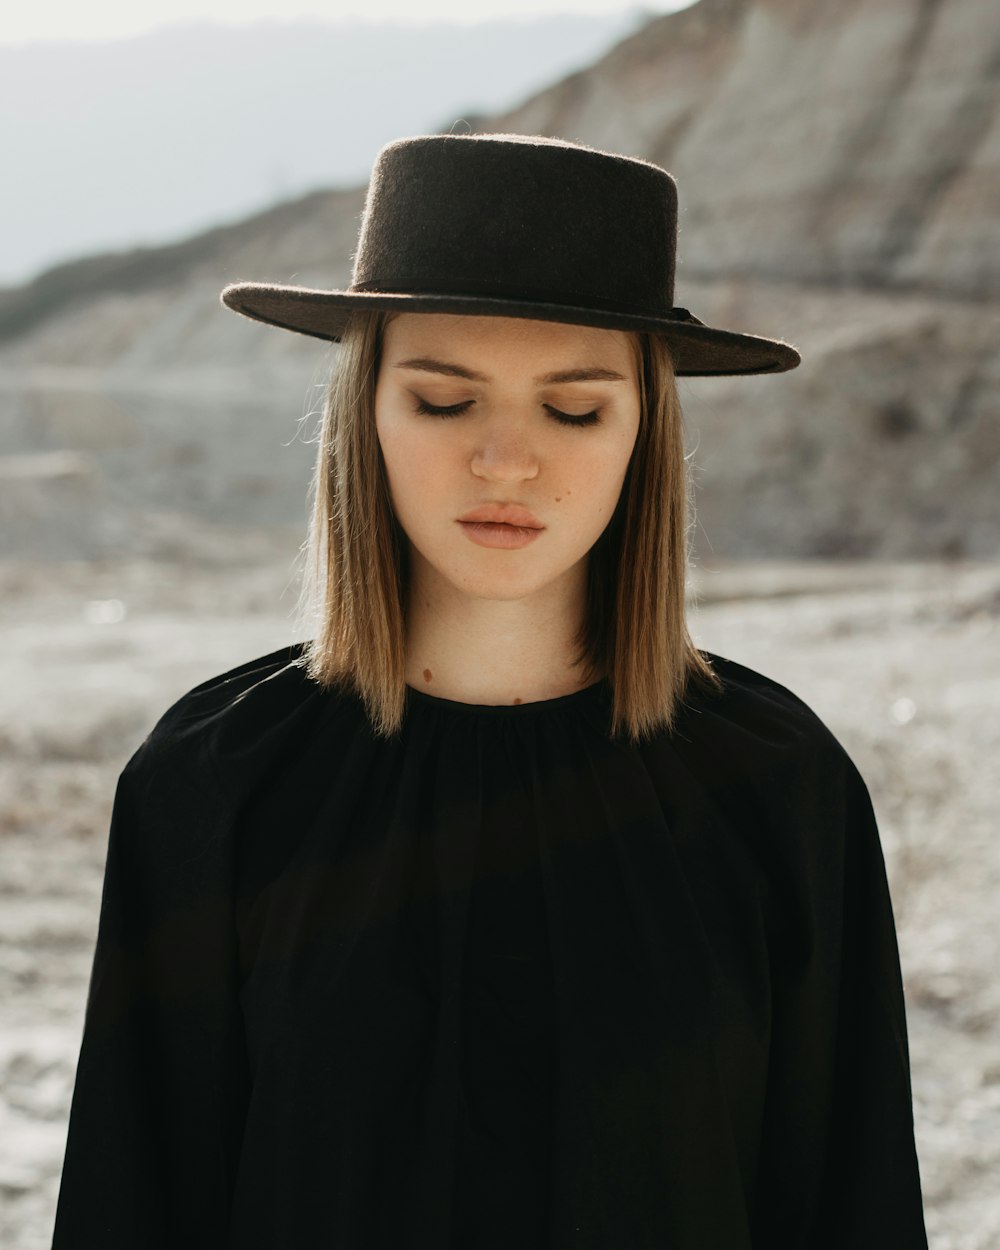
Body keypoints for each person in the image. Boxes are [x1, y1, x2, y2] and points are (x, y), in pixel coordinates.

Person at [52, 134, 928, 1248]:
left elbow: (851, 1205)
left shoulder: (776, 781)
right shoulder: (215, 779)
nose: (507, 460)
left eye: (573, 410)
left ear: (644, 435)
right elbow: (133, 1204)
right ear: (365, 413)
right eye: (443, 401)